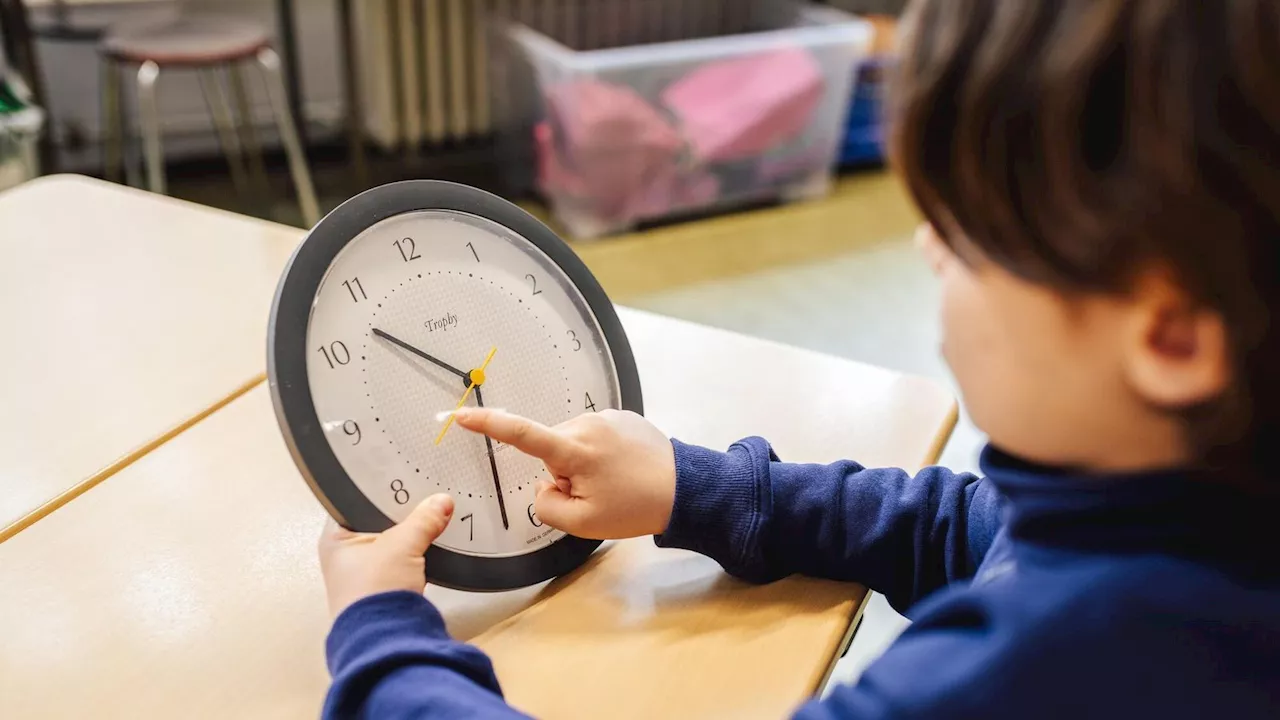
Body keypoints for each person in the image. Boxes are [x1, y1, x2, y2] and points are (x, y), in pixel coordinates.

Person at [316, 0, 1280, 716]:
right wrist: (696, 489)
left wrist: (382, 642)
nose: (925, 251)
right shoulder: (1187, 503)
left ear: (1171, 339)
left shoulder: (1055, 666)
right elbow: (968, 530)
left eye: (966, 236)